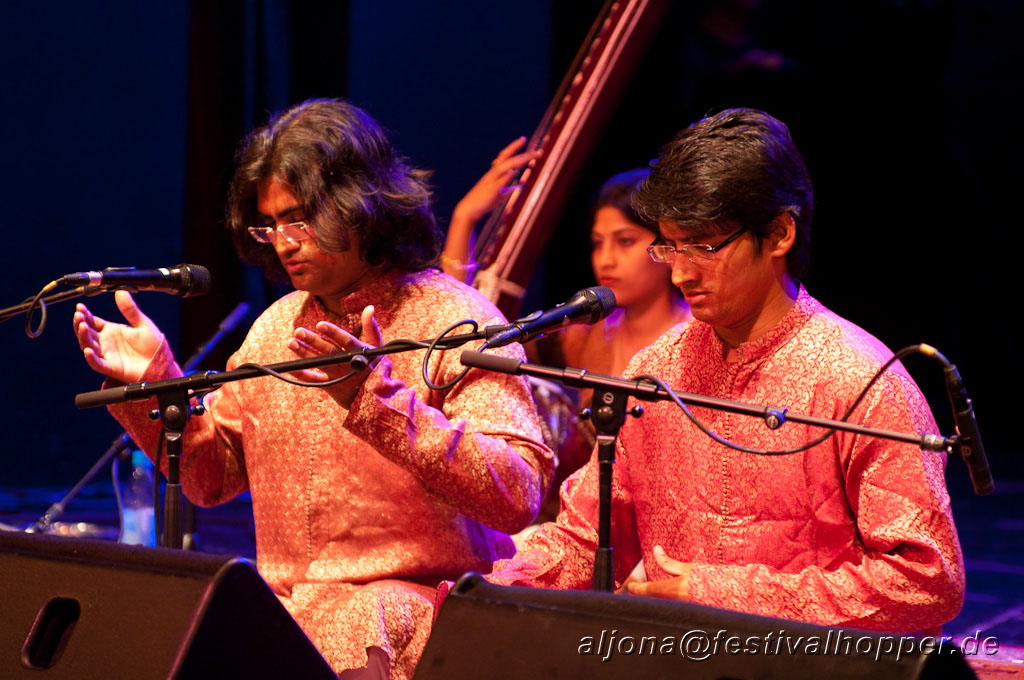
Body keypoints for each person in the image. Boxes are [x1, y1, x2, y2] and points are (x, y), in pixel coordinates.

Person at [73, 98, 552, 679]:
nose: (282, 241)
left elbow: (518, 491)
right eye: (269, 224)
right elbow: (211, 476)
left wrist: (375, 401)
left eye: (299, 218)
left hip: (418, 614)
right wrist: (156, 384)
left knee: (356, 622)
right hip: (287, 616)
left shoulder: (455, 321)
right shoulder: (275, 329)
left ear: (362, 205)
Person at [478, 108, 965, 634]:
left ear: (779, 234)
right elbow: (585, 537)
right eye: (670, 246)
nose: (682, 272)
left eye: (704, 247)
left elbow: (927, 580)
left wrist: (716, 595)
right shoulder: (657, 371)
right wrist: (485, 588)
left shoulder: (862, 380)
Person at [442, 148, 691, 519]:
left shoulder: (700, 338)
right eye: (597, 243)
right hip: (585, 526)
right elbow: (469, 338)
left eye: (625, 241)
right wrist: (464, 219)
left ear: (668, 246)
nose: (605, 259)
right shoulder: (584, 335)